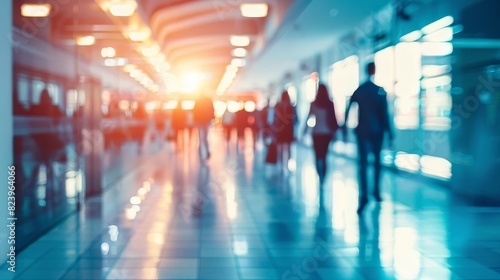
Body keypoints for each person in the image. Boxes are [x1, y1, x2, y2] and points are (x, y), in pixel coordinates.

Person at [343, 62, 393, 214]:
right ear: (375, 70)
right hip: (377, 131)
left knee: (363, 164)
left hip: (363, 130)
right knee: (377, 162)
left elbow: (348, 109)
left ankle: (365, 194)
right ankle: (375, 191)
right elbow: (384, 113)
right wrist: (389, 132)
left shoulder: (360, 90)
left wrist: (344, 127)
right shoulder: (379, 91)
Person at [303, 84, 338, 182]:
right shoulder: (330, 104)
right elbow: (333, 119)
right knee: (324, 156)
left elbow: (308, 118)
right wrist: (335, 133)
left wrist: (305, 131)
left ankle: (319, 175)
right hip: (327, 133)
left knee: (317, 155)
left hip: (316, 133)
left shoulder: (314, 104)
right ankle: (323, 177)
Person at [272, 90, 296, 166]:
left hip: (280, 129)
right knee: (288, 147)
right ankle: (287, 162)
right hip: (288, 129)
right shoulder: (291, 106)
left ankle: (281, 162)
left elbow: (274, 119)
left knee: (280, 147)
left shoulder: (277, 106)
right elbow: (295, 119)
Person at [193, 94, 215, 160]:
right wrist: (212, 119)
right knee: (205, 137)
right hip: (206, 120)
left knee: (201, 137)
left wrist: (195, 120)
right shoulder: (208, 100)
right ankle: (206, 151)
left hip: (200, 121)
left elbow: (195, 111)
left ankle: (200, 152)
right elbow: (212, 110)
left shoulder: (198, 101)